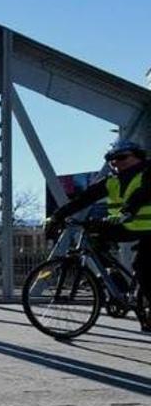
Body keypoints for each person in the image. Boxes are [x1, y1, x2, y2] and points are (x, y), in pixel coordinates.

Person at [47, 137, 151, 327]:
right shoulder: (111, 181)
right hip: (127, 226)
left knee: (143, 267)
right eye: (111, 158)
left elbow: (143, 194)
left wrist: (126, 210)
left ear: (138, 157)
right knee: (93, 239)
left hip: (147, 228)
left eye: (121, 157)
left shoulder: (147, 171)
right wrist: (57, 216)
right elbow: (83, 199)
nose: (115, 162)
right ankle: (117, 286)